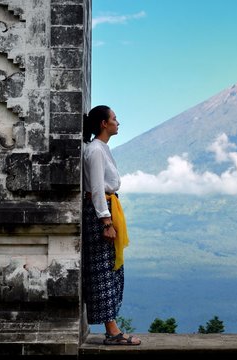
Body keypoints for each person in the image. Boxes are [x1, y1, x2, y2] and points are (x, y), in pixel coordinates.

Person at [82, 105, 141, 346]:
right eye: (114, 118)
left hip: (107, 209)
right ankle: (112, 332)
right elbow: (96, 188)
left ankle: (112, 327)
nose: (118, 122)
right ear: (104, 124)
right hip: (101, 214)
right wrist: (106, 221)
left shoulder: (101, 148)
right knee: (104, 272)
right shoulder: (95, 150)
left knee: (112, 269)